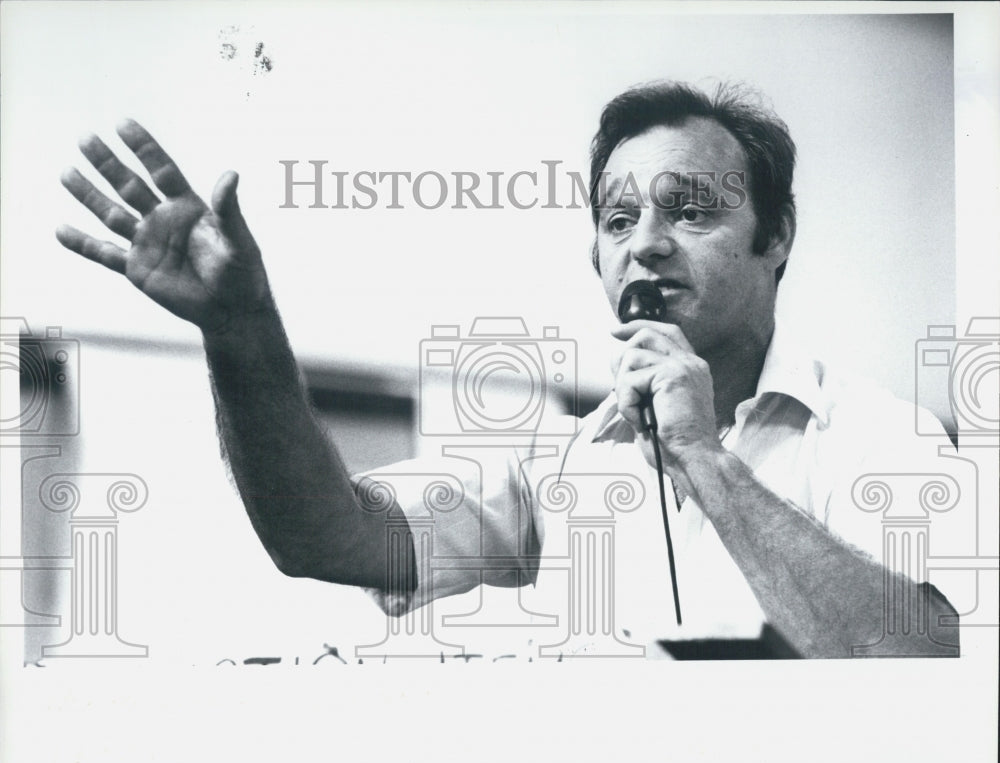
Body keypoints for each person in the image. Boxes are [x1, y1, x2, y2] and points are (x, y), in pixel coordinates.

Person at [56, 81, 959, 658]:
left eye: (689, 212)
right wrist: (240, 331)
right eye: (615, 221)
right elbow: (325, 536)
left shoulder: (888, 435)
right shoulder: (558, 467)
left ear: (778, 237)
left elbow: (934, 667)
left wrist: (707, 459)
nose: (643, 244)